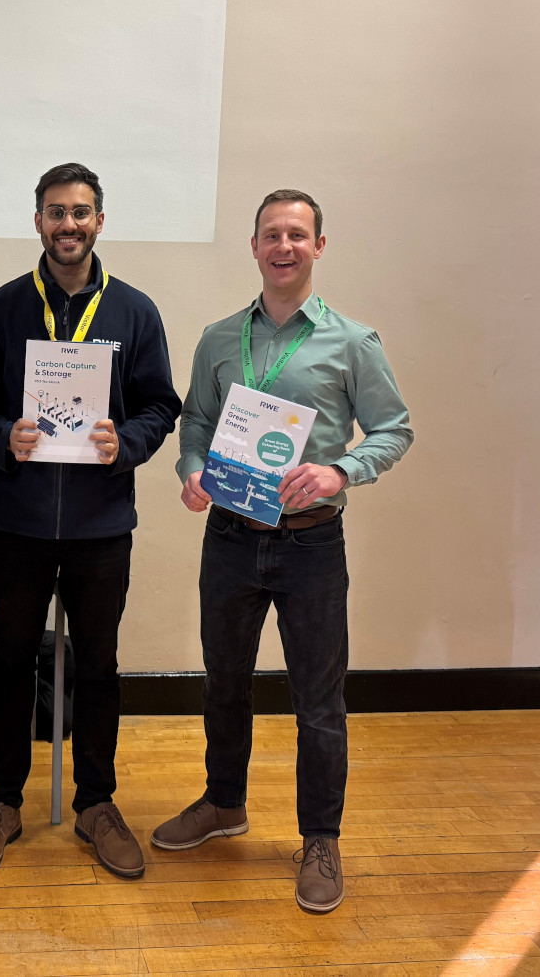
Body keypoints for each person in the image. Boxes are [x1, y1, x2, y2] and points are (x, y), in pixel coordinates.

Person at [155, 189, 412, 914]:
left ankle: (321, 838)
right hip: (231, 537)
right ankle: (223, 804)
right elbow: (197, 422)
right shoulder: (218, 337)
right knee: (222, 683)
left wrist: (341, 470)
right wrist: (191, 470)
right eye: (272, 234)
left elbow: (395, 429)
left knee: (319, 703)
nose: (284, 246)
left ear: (318, 247)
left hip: (311, 544)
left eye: (298, 234)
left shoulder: (353, 342)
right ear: (255, 245)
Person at [0, 163, 179, 880]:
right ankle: (3, 802)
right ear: (38, 222)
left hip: (101, 523)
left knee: (100, 666)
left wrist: (128, 444)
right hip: (17, 522)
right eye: (56, 212)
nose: (69, 224)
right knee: (12, 662)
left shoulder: (135, 313)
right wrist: (2, 437)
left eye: (81, 212)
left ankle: (96, 803)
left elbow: (158, 407)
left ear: (99, 222)